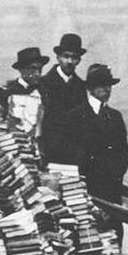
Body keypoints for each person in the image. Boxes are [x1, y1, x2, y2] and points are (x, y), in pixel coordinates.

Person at [69, 63, 128, 237]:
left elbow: (124, 152)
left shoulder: (115, 116)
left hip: (111, 186)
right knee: (88, 233)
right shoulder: (76, 115)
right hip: (87, 186)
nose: (107, 89)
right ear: (91, 88)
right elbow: (72, 151)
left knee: (114, 233)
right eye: (102, 85)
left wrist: (116, 174)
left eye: (109, 85)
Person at [38, 32, 87, 164]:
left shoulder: (81, 87)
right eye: (66, 56)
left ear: (79, 60)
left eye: (74, 57)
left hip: (74, 153)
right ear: (58, 57)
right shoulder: (43, 84)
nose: (70, 61)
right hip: (49, 151)